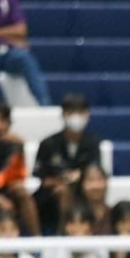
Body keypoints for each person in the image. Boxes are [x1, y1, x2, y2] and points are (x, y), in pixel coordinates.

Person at [33, 93, 101, 234]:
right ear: (63, 114)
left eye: (80, 112)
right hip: (50, 197)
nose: (76, 117)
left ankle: (97, 230)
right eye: (71, 112)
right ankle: (62, 234)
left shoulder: (92, 144)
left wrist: (80, 175)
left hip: (82, 192)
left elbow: (97, 171)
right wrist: (61, 180)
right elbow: (41, 177)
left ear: (87, 115)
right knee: (63, 191)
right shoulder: (48, 144)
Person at [0, 102, 41, 235]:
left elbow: (18, 174)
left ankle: (37, 241)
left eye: (3, 121)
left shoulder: (14, 143)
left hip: (8, 188)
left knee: (21, 191)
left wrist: (21, 149)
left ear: (9, 123)